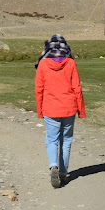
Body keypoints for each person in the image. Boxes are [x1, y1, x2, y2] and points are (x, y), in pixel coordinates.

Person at [34, 34, 86, 188]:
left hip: (50, 108)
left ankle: (53, 165)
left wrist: (39, 110)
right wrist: (81, 110)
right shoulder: (70, 63)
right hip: (69, 107)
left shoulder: (43, 64)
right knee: (66, 140)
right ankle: (63, 172)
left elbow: (39, 89)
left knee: (52, 139)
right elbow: (77, 88)